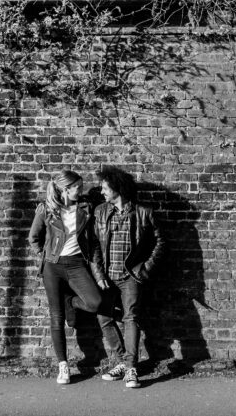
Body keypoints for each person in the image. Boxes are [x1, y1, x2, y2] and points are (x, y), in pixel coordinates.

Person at [28, 170, 105, 385]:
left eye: (81, 187)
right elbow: (33, 238)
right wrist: (45, 256)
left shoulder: (85, 207)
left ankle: (71, 301)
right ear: (64, 188)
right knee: (56, 317)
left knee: (94, 302)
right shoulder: (46, 209)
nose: (81, 191)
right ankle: (63, 366)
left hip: (77, 264)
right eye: (77, 188)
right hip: (53, 267)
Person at [92, 165, 165, 389]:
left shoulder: (143, 213)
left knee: (130, 318)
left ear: (117, 188)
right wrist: (98, 274)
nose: (102, 192)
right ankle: (123, 361)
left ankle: (131, 367)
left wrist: (145, 269)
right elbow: (94, 245)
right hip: (107, 277)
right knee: (104, 317)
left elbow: (161, 242)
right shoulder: (100, 212)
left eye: (105, 188)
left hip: (131, 276)